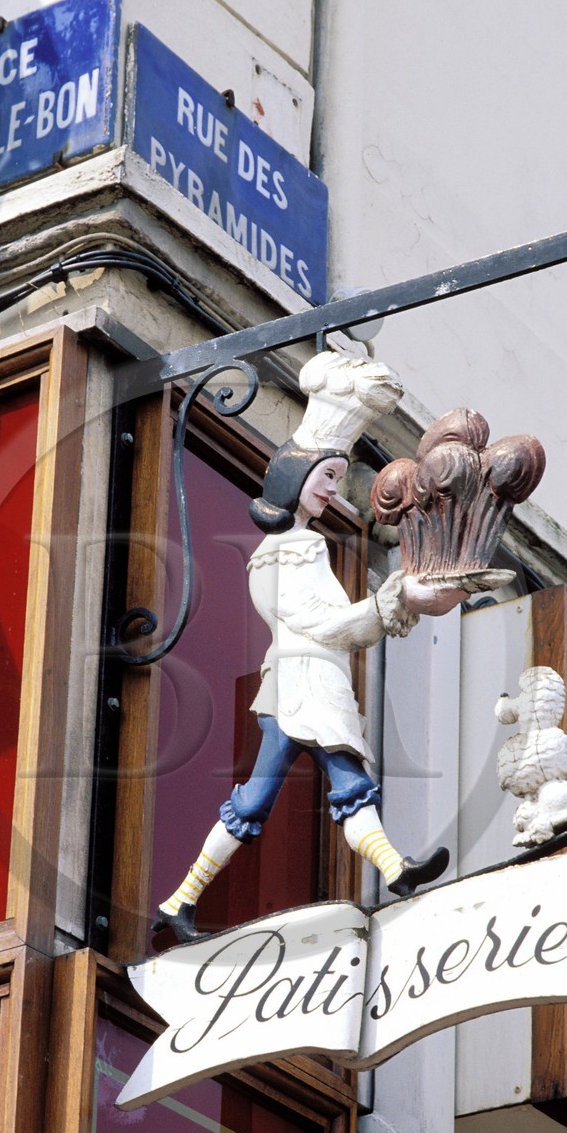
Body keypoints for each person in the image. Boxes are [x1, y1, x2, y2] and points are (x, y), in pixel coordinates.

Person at [154, 380, 469, 945]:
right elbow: (324, 625)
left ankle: (394, 872)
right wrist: (392, 599)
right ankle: (180, 901)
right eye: (327, 477)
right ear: (296, 480)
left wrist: (389, 600)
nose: (333, 490)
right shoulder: (292, 549)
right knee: (278, 796)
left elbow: (329, 623)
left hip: (308, 684)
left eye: (337, 478)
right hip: (303, 686)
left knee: (326, 789)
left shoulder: (287, 550)